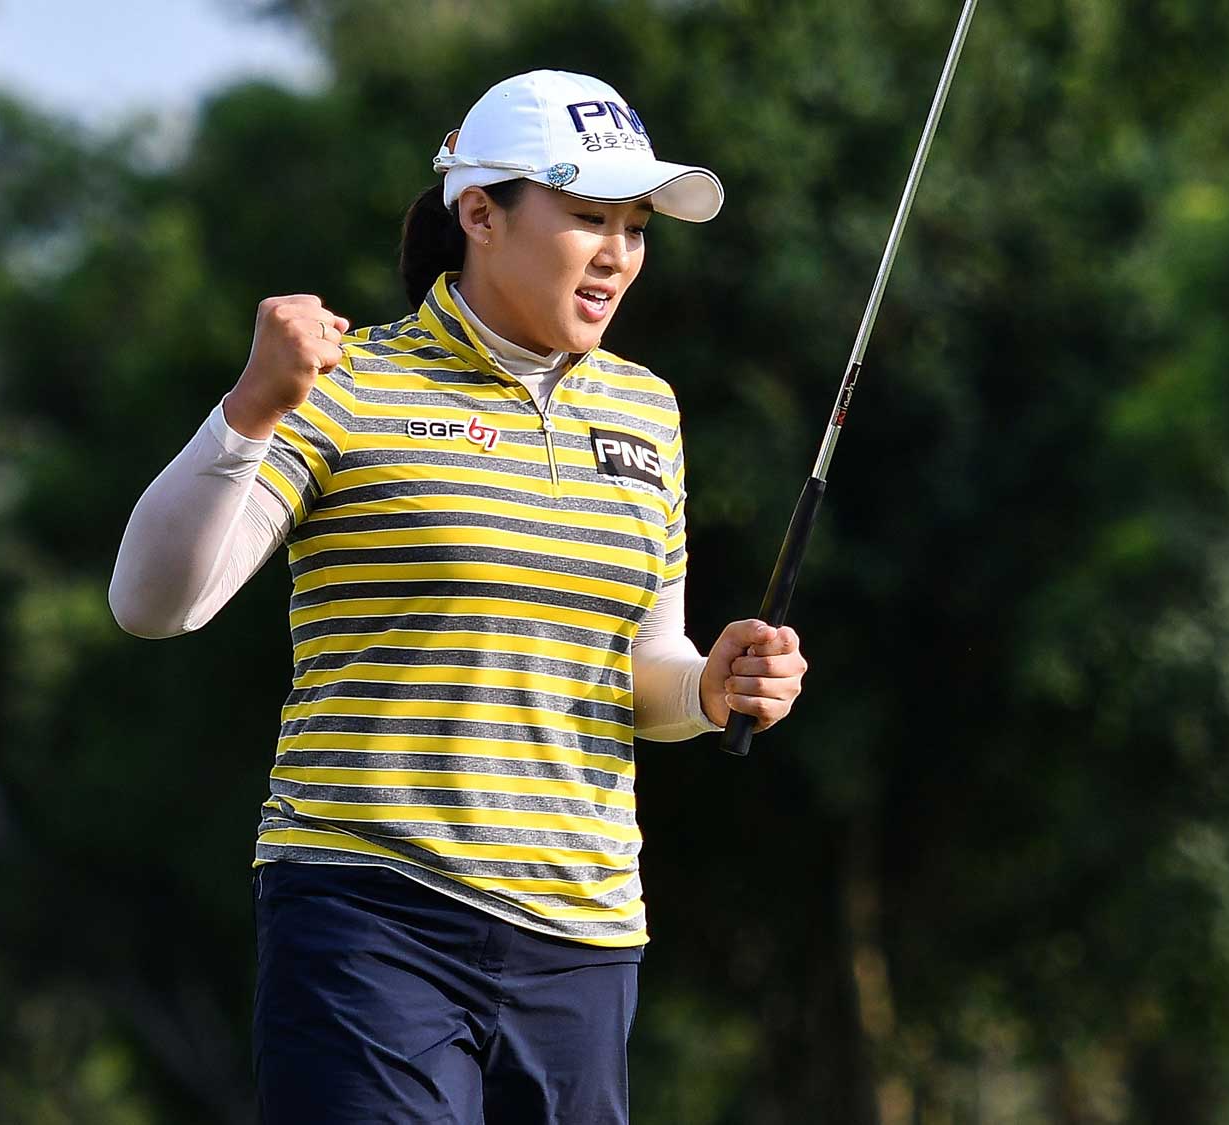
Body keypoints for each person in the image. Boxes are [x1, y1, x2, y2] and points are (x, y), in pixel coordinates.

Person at [108, 70, 807, 1125]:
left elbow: (637, 672)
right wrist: (252, 405)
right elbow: (154, 603)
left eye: (633, 225)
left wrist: (707, 687)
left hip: (582, 935)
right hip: (370, 910)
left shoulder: (644, 410)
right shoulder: (347, 383)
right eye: (586, 217)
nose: (617, 253)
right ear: (479, 213)